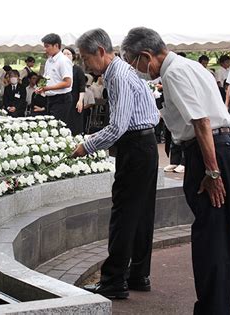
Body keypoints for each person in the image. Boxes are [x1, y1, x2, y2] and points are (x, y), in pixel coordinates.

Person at [122, 27, 230, 315]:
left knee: (210, 240)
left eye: (132, 62)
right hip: (225, 147)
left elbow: (201, 121)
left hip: (211, 153)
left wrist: (212, 173)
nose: (134, 68)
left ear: (145, 56)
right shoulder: (187, 65)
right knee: (222, 238)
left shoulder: (173, 73)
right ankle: (217, 307)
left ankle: (212, 309)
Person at [71, 28, 159, 299]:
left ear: (100, 52)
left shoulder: (118, 75)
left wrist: (87, 145)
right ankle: (138, 275)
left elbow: (118, 125)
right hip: (146, 145)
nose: (85, 65)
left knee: (124, 214)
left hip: (135, 147)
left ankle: (114, 281)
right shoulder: (122, 71)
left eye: (86, 58)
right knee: (142, 214)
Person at [36, 33, 73, 124]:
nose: (45, 49)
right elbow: (46, 77)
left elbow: (67, 82)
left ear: (56, 45)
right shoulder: (49, 60)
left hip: (62, 99)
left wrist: (48, 88)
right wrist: (41, 87)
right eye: (44, 46)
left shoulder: (63, 61)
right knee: (49, 125)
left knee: (56, 127)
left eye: (47, 46)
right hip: (50, 98)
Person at [63, 46, 86, 135]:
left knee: (74, 124)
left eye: (68, 54)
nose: (66, 56)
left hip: (74, 99)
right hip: (62, 100)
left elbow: (82, 87)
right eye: (64, 54)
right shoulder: (60, 69)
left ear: (73, 56)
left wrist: (80, 101)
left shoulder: (77, 70)